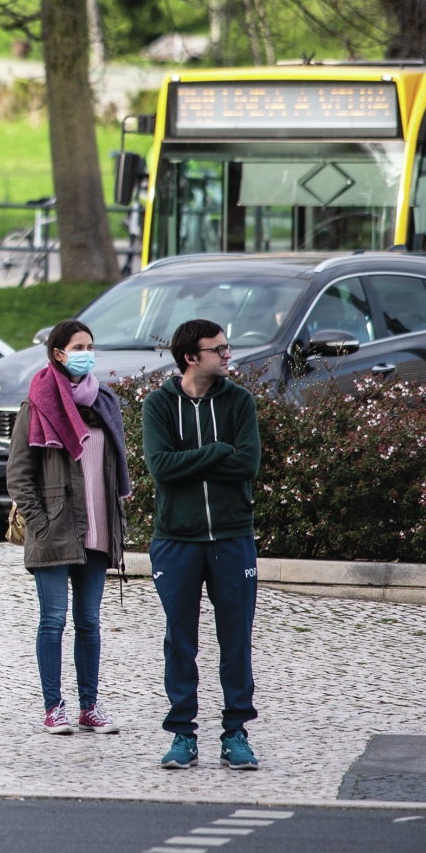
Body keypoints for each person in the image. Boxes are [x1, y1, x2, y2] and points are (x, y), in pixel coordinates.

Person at [142, 317, 263, 772]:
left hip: (232, 536)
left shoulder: (239, 401)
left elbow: (247, 463)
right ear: (191, 357)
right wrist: (217, 451)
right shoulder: (158, 405)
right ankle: (181, 735)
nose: (228, 355)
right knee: (180, 640)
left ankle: (236, 733)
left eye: (227, 347)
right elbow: (161, 468)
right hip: (176, 539)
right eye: (219, 349)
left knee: (236, 639)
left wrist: (193, 461)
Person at [7, 317, 132, 738]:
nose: (86, 353)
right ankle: (53, 707)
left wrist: (117, 522)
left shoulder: (104, 404)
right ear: (58, 353)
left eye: (90, 345)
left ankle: (89, 706)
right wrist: (40, 523)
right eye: (78, 346)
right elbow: (18, 476)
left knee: (90, 622)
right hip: (55, 530)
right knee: (53, 621)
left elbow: (115, 471)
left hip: (97, 529)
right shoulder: (38, 404)